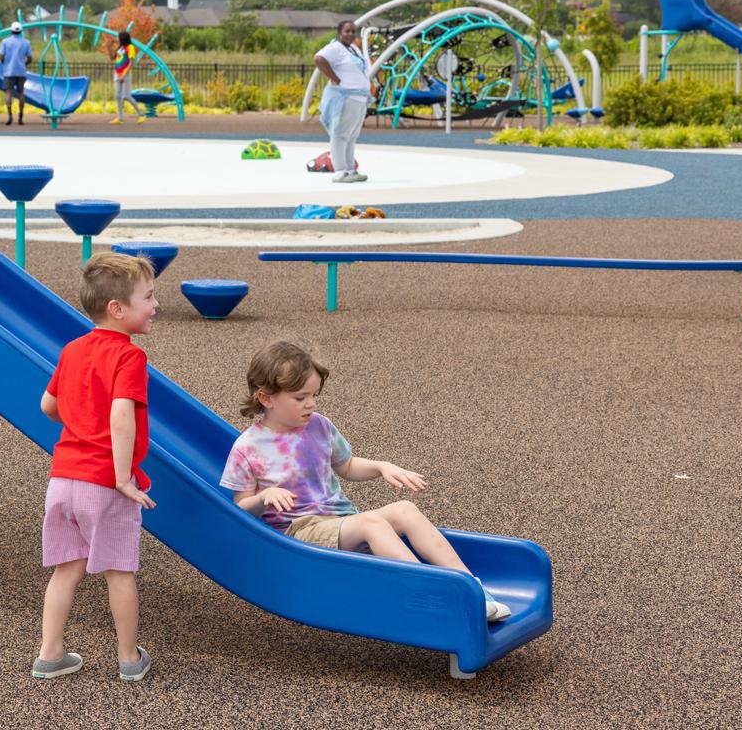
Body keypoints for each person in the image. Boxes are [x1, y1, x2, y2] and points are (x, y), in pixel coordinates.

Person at [220, 341, 512, 624]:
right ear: (266, 398)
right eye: (300, 398)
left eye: (314, 395)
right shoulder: (248, 448)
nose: (310, 404)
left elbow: (346, 465)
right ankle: (434, 594)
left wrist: (382, 467)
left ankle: (475, 590)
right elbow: (241, 510)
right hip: (299, 535)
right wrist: (264, 495)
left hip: (340, 521)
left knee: (405, 509)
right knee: (371, 523)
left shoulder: (318, 425)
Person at [33, 252, 159, 682]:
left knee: (65, 569)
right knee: (118, 571)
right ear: (117, 309)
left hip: (62, 480)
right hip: (103, 483)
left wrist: (79, 413)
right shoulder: (129, 358)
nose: (155, 305)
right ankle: (128, 658)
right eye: (149, 296)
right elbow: (122, 415)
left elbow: (48, 405)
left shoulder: (72, 349)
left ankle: (50, 653)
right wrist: (123, 478)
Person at [314, 20, 373, 182]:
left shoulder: (353, 48)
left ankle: (350, 169)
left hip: (359, 97)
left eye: (353, 31)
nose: (351, 34)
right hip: (346, 96)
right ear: (340, 33)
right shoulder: (335, 48)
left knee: (352, 135)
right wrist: (334, 77)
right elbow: (319, 59)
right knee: (340, 134)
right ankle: (340, 171)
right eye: (347, 31)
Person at [0, 20, 33, 126]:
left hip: (9, 71)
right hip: (21, 71)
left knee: (8, 93)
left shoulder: (5, 42)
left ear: (11, 31)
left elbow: (1, 56)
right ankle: (20, 118)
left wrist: (5, 63)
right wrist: (24, 64)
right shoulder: (26, 42)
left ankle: (10, 116)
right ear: (21, 31)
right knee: (21, 93)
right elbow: (30, 58)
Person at [109, 29, 144, 125]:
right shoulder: (120, 48)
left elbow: (131, 62)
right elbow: (112, 58)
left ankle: (141, 114)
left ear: (123, 38)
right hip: (117, 73)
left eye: (118, 37)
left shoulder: (130, 47)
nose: (117, 39)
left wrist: (124, 74)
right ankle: (120, 118)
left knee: (126, 96)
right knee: (118, 96)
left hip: (125, 74)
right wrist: (109, 47)